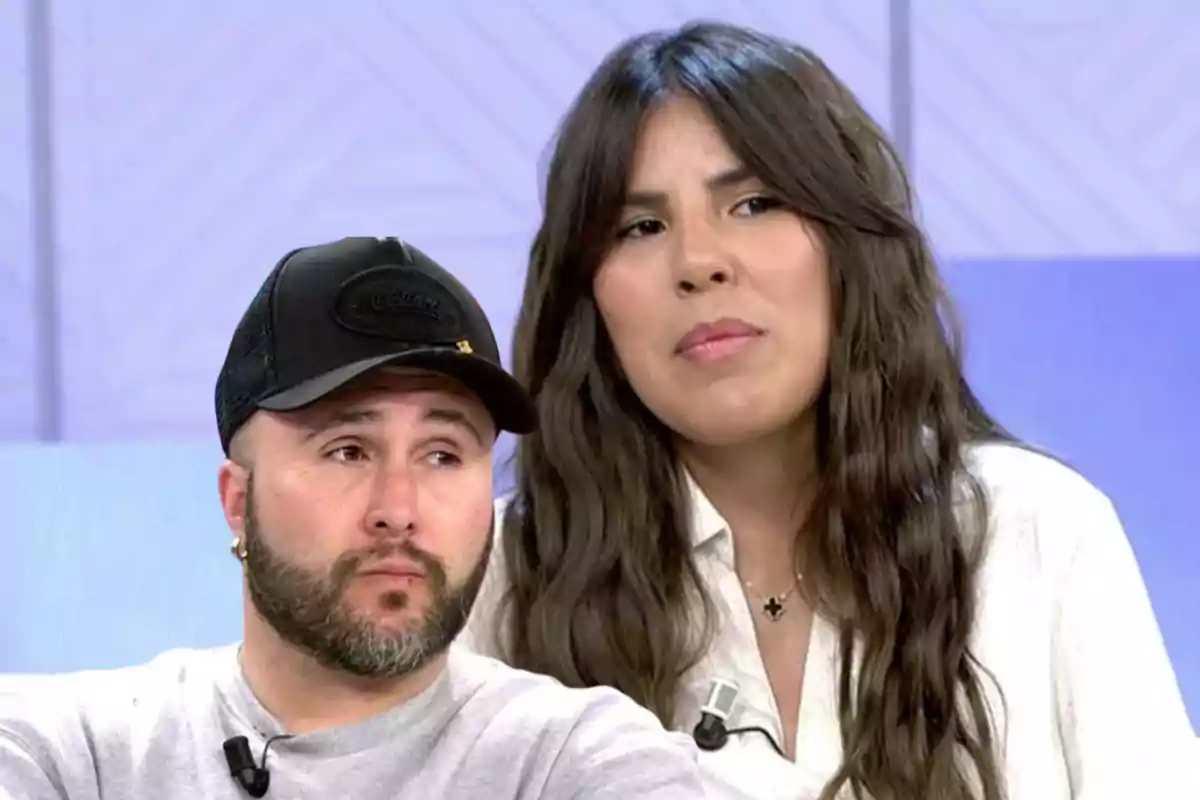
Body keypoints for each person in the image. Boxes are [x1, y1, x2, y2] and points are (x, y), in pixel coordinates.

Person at [460, 22, 1199, 800]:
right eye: (641, 227)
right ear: (588, 297)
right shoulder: (504, 579)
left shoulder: (1032, 531)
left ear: (849, 243)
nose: (700, 261)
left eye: (752, 203)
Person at [0, 237, 708, 800]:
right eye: (347, 450)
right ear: (237, 502)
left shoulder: (577, 762)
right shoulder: (71, 755)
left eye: (442, 454)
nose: (398, 510)